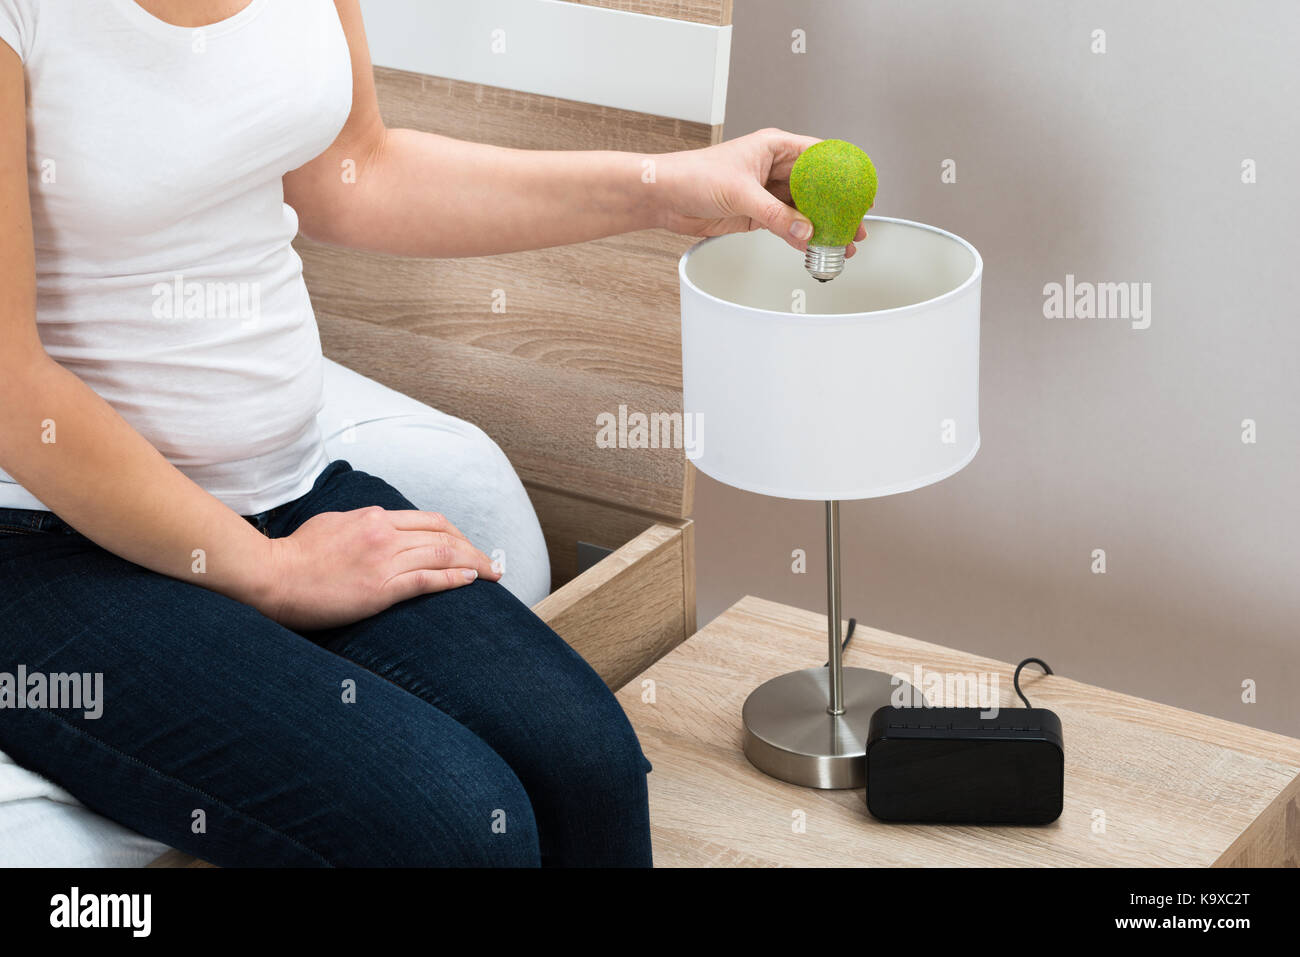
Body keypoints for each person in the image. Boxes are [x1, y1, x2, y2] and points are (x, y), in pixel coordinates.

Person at [0, 0, 864, 866]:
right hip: (49, 544)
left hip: (290, 490)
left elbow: (359, 172)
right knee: (456, 831)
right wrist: (266, 569)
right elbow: (10, 382)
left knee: (589, 766)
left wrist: (663, 185)